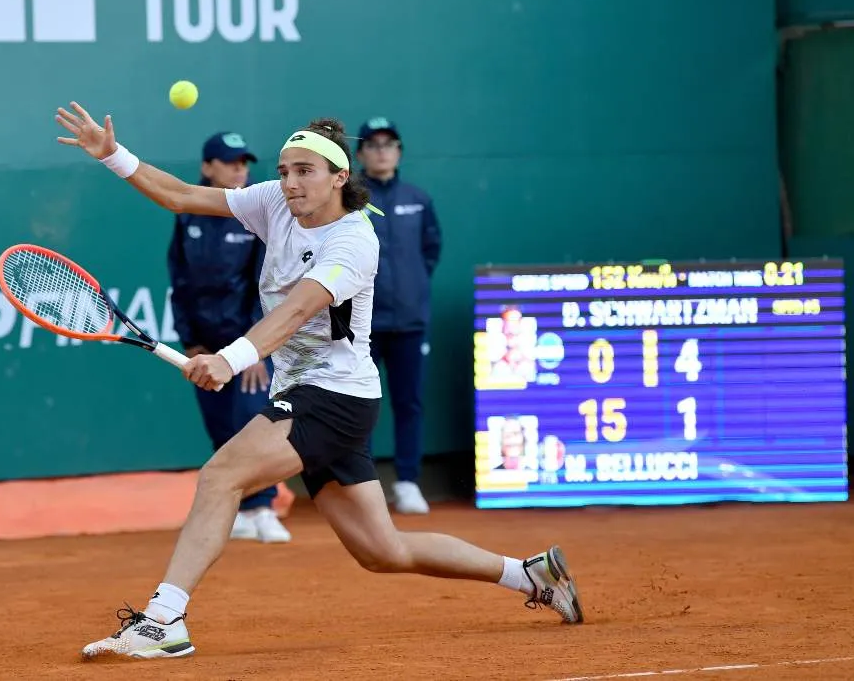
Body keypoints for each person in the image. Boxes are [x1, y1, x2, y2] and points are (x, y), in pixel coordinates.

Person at [52, 102, 584, 661]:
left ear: (339, 176)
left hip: (332, 396)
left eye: (304, 170)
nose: (289, 181)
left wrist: (229, 359)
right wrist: (111, 153)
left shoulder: (355, 242)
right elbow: (183, 196)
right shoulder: (271, 202)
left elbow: (300, 309)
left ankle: (163, 621)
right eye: (284, 170)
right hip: (319, 395)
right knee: (383, 551)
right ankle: (529, 576)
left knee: (220, 476)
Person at [167, 131, 290, 544]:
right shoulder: (188, 218)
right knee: (221, 427)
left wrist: (255, 348)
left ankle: (265, 507)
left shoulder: (256, 216)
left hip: (249, 345)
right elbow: (180, 282)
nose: (240, 168)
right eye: (230, 161)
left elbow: (265, 284)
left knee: (252, 424)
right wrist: (191, 342)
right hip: (205, 344)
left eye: (244, 161)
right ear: (207, 168)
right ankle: (240, 510)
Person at [356, 117, 442, 515]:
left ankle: (407, 482)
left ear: (399, 151)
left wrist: (411, 291)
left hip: (409, 323)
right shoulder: (349, 199)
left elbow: (430, 253)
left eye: (388, 144)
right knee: (360, 405)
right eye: (372, 145)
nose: (380, 151)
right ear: (360, 154)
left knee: (409, 403)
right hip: (362, 324)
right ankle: (364, 487)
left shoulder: (419, 199)